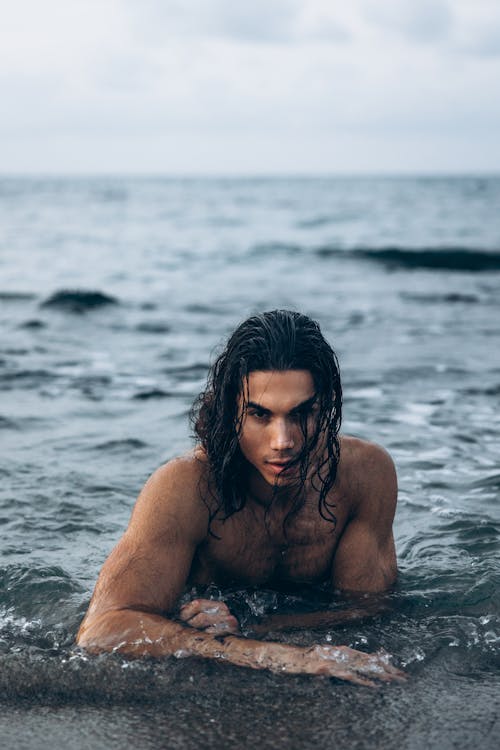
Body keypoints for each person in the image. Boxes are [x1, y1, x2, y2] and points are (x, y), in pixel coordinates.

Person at [76, 310, 403, 685]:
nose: (283, 441)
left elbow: (369, 607)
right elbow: (100, 630)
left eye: (303, 413)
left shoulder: (364, 474)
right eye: (260, 415)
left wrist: (250, 626)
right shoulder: (185, 489)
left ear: (326, 406)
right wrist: (263, 652)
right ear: (232, 413)